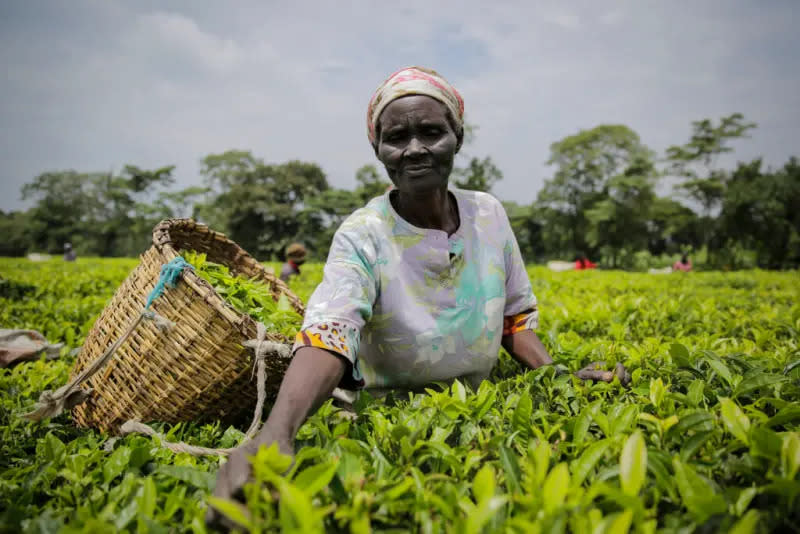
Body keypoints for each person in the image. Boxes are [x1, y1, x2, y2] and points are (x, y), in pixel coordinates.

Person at [208, 67, 627, 522]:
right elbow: (330, 332)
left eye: (432, 132)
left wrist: (555, 374)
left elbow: (512, 317)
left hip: (475, 407)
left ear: (457, 138)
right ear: (378, 148)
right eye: (396, 137)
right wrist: (278, 433)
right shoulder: (362, 234)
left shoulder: (488, 214)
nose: (414, 149)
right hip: (386, 418)